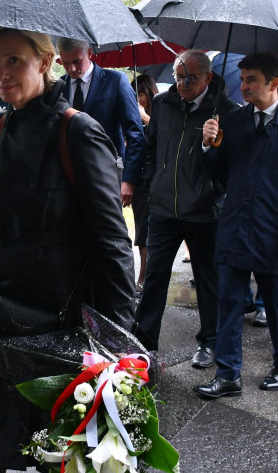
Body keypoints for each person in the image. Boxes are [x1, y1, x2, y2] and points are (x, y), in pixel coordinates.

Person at [0, 27, 135, 472]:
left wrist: (117, 345)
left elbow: (113, 243)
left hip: (58, 315)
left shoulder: (78, 131)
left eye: (13, 61)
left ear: (45, 60)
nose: (1, 75)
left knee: (54, 449)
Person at [193, 53, 278, 398]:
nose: (243, 86)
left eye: (252, 80)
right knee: (228, 303)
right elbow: (220, 174)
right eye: (243, 79)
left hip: (275, 232)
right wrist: (208, 144)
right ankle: (228, 374)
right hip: (234, 226)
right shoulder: (235, 120)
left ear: (274, 83)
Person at [134, 49, 239, 368]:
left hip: (204, 211)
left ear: (207, 78)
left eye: (190, 78)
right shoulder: (164, 104)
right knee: (154, 277)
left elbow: (230, 167)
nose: (182, 83)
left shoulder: (225, 111)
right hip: (164, 207)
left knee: (208, 280)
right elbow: (151, 146)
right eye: (179, 76)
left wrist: (213, 148)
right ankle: (143, 342)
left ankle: (209, 342)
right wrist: (153, 181)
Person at [56, 38, 145, 208]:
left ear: (89, 53)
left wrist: (129, 179)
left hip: (108, 173)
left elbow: (135, 133)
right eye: (65, 63)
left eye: (77, 61)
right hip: (68, 175)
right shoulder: (58, 87)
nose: (72, 69)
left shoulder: (116, 81)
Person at [131, 71, 159, 291]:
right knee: (141, 229)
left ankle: (146, 277)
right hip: (139, 179)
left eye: (141, 93)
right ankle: (143, 275)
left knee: (150, 230)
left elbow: (162, 137)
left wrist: (145, 118)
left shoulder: (161, 109)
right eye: (135, 94)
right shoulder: (131, 113)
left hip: (157, 178)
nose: (138, 98)